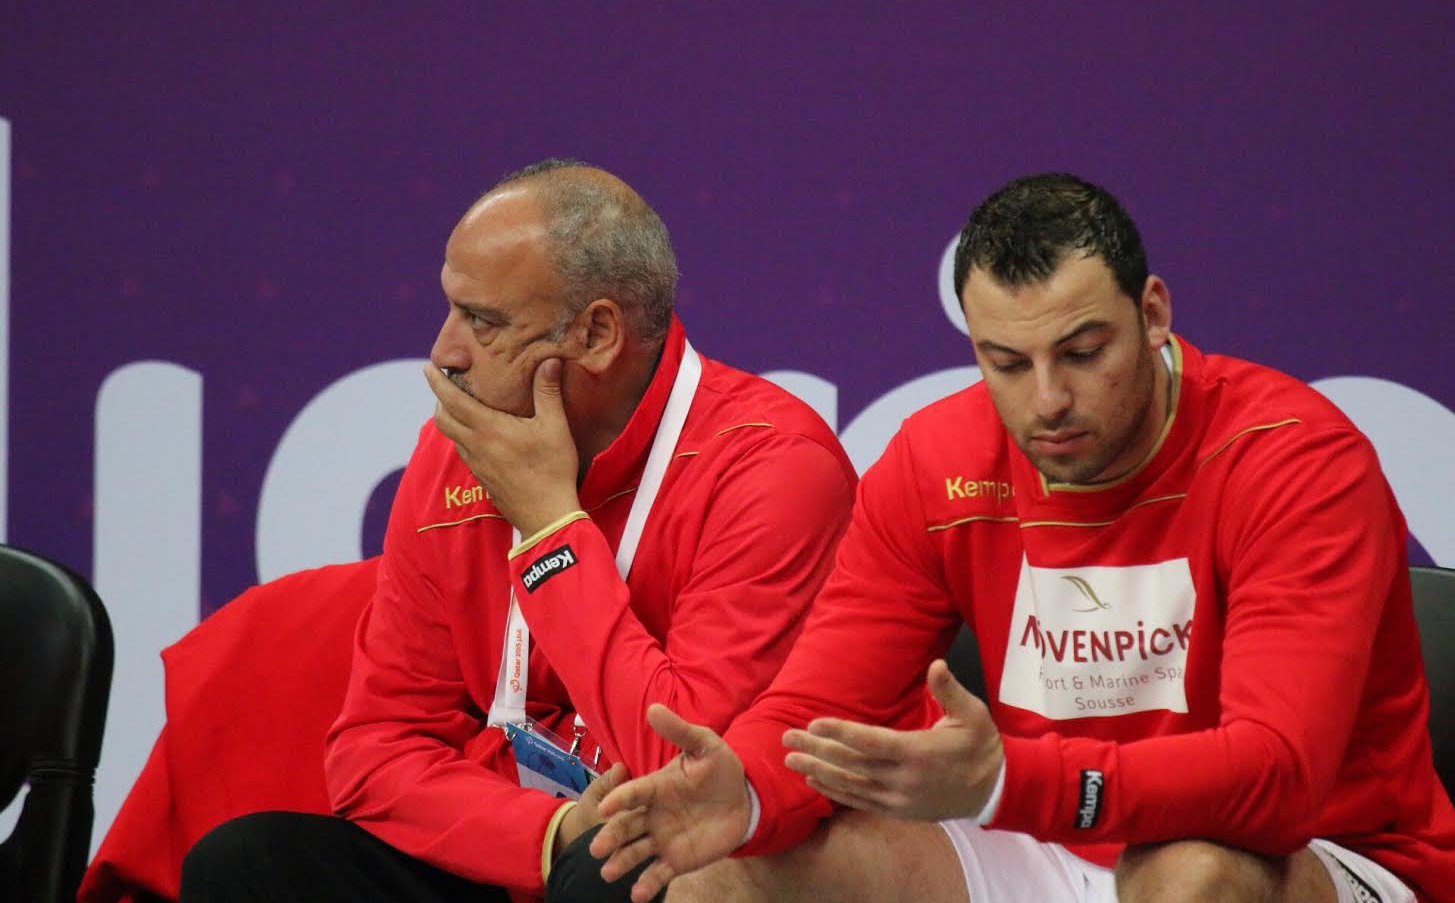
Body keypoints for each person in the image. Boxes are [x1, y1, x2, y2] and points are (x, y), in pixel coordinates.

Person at [590, 173, 1455, 903]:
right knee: (722, 879)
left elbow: (1277, 779)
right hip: (1047, 840)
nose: (1047, 401)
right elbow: (821, 709)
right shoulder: (936, 462)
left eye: (1082, 352)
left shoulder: (1291, 460)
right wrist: (742, 792)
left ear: (1152, 313)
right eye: (1005, 363)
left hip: (1316, 854)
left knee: (1192, 877)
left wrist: (1010, 782)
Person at [178, 160, 858, 902]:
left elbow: (686, 772)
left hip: (680, 858)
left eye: (484, 321)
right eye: (451, 309)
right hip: (526, 842)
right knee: (246, 864)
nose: (445, 352)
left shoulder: (772, 466)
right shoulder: (457, 449)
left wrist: (549, 529)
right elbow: (375, 749)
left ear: (597, 334)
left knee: (614, 874)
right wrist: (550, 832)